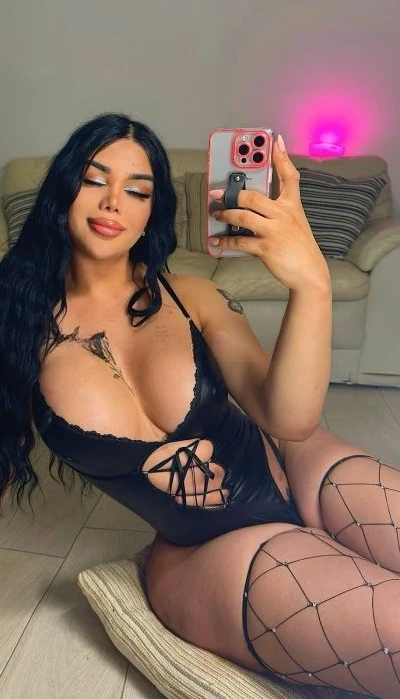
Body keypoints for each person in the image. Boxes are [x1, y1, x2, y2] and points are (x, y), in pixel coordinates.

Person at [0, 113, 399, 699]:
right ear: (62, 187)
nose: (113, 202)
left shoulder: (193, 296)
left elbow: (288, 420)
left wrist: (310, 283)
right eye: (93, 179)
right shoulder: (13, 324)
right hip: (206, 553)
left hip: (297, 465)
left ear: (153, 211)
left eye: (138, 191)